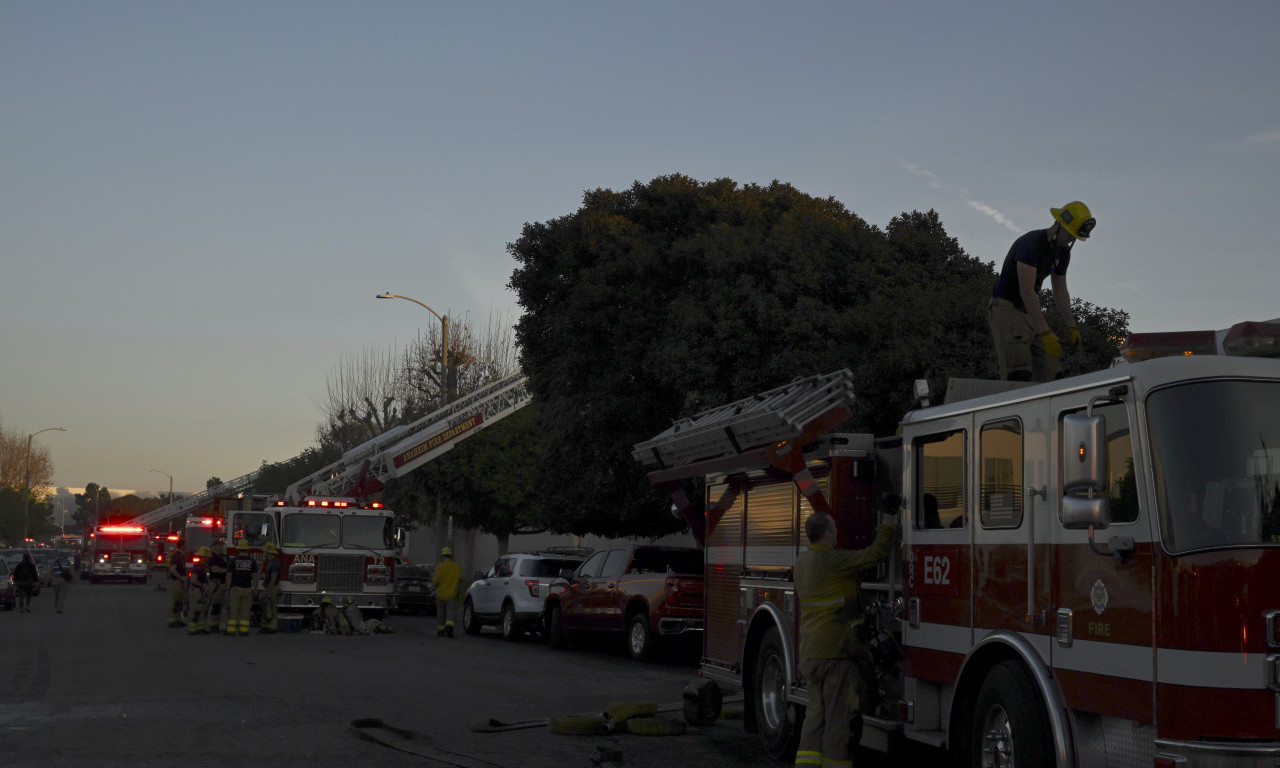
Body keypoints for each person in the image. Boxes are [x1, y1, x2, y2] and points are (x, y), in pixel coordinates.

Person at [793, 498, 899, 768]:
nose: (837, 534)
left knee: (815, 715)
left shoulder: (801, 563)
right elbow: (875, 553)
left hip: (809, 654)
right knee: (837, 719)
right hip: (834, 653)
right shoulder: (832, 561)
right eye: (835, 530)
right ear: (827, 533)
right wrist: (889, 518)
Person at [988, 201, 1095, 382]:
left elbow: (1060, 290)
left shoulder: (1062, 252)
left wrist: (1071, 325)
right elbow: (1027, 290)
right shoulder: (1032, 243)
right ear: (1059, 224)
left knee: (1052, 373)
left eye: (1075, 237)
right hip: (1006, 307)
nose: (1071, 240)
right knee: (1019, 373)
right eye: (1070, 234)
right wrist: (1044, 332)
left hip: (1028, 310)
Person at [225, 539, 258, 636]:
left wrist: (227, 589)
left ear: (238, 549)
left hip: (235, 589)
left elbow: (229, 576)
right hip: (247, 589)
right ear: (247, 549)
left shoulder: (233, 561)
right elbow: (255, 577)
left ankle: (231, 630)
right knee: (245, 610)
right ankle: (244, 630)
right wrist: (255, 589)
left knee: (234, 609)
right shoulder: (252, 561)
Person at [432, 546, 462, 637]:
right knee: (451, 613)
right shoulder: (456, 567)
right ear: (451, 556)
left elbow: (435, 581)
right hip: (452, 595)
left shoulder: (439, 567)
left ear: (442, 556)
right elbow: (462, 579)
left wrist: (435, 586)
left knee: (441, 614)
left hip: (441, 595)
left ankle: (441, 630)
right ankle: (449, 627)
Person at [187, 547, 212, 635]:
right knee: (195, 610)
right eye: (207, 557)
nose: (208, 559)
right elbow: (193, 580)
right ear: (204, 557)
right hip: (196, 591)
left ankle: (201, 628)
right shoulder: (198, 566)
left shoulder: (204, 567)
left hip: (201, 591)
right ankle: (192, 629)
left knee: (202, 610)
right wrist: (202, 585)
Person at [206, 540, 229, 634]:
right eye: (219, 545)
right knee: (215, 605)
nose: (221, 547)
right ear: (215, 546)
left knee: (224, 606)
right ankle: (213, 625)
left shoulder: (225, 557)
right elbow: (214, 569)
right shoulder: (212, 557)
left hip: (224, 584)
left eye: (222, 545)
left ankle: (222, 625)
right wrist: (226, 570)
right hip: (216, 584)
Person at [258, 542, 282, 634]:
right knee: (266, 606)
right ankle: (266, 625)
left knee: (271, 606)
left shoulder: (275, 563)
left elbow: (273, 578)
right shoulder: (271, 562)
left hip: (272, 588)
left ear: (268, 552)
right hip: (270, 587)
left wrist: (268, 590)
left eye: (264, 551)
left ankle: (272, 626)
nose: (263, 553)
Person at [166, 544, 187, 627]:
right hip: (175, 581)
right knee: (175, 601)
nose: (186, 546)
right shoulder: (177, 556)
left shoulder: (180, 556)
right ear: (181, 546)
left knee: (179, 601)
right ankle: (172, 621)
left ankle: (178, 620)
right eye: (185, 544)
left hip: (179, 582)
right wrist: (181, 577)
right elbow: (172, 569)